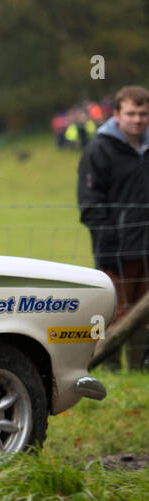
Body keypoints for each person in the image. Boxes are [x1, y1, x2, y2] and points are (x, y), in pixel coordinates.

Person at [78, 84, 149, 367]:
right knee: (116, 314)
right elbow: (90, 204)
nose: (137, 120)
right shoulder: (99, 150)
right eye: (131, 113)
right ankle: (109, 366)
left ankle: (140, 367)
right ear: (117, 115)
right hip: (116, 250)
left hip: (147, 248)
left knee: (144, 316)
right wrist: (110, 242)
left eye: (143, 114)